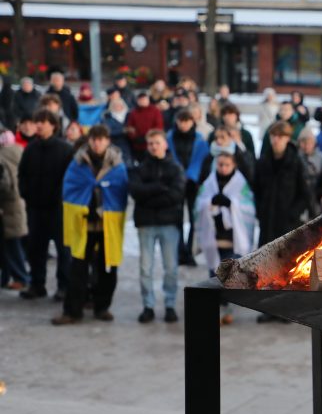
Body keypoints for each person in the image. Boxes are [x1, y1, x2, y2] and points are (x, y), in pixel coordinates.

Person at [52, 125, 128, 324]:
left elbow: (120, 193)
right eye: (94, 139)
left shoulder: (117, 165)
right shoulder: (78, 163)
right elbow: (69, 189)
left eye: (101, 139)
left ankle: (101, 307)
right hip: (83, 225)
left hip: (107, 225)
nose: (97, 143)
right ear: (89, 141)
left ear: (108, 140)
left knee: (107, 268)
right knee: (78, 269)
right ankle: (72, 310)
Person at [128, 129, 186, 323]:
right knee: (146, 267)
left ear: (165, 144)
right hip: (146, 223)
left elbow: (177, 194)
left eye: (157, 142)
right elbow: (136, 191)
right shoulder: (140, 168)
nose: (154, 146)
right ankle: (148, 305)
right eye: (150, 143)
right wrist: (159, 189)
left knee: (171, 267)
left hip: (169, 223)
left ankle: (169, 304)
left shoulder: (175, 168)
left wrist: (149, 194)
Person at [194, 147, 255, 325]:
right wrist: (209, 202)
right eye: (220, 164)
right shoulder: (209, 182)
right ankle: (216, 307)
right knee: (214, 274)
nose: (223, 168)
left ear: (233, 165)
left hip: (233, 239)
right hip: (214, 238)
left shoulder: (241, 184)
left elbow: (248, 208)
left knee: (230, 274)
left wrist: (232, 204)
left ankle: (228, 308)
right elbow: (199, 203)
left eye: (227, 164)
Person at [17, 108, 74, 300]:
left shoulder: (65, 149)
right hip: (35, 208)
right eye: (37, 121)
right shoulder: (31, 148)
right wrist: (26, 194)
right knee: (35, 249)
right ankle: (37, 284)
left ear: (54, 125)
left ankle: (64, 286)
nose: (38, 125)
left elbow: (70, 180)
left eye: (43, 122)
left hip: (58, 209)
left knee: (63, 250)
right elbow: (22, 175)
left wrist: (59, 198)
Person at [254, 121, 309, 261]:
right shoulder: (263, 161)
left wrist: (293, 213)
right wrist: (260, 211)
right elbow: (256, 190)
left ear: (287, 138)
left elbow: (305, 193)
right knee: (264, 262)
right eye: (273, 136)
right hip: (267, 222)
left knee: (286, 262)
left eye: (280, 136)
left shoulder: (296, 162)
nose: (275, 140)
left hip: (288, 223)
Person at [167, 109, 209, 266]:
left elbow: (203, 161)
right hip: (175, 184)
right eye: (181, 121)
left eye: (187, 121)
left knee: (193, 219)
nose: (184, 124)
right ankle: (179, 251)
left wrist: (194, 176)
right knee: (176, 219)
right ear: (177, 121)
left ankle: (189, 252)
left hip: (193, 184)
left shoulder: (199, 140)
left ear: (192, 122)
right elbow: (168, 159)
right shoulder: (170, 138)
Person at [0, 129, 29, 290]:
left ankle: (21, 277)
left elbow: (4, 184)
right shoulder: (19, 150)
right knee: (12, 242)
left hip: (6, 204)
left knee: (10, 244)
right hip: (18, 201)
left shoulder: (2, 155)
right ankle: (10, 277)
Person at [126, 92, 165, 163]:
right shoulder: (133, 113)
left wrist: (148, 137)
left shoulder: (155, 111)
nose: (143, 101)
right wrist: (134, 137)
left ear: (148, 100)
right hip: (138, 144)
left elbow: (159, 126)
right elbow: (130, 127)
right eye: (141, 100)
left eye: (144, 99)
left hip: (152, 144)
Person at [298, 128, 322, 218]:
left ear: (314, 143)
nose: (306, 146)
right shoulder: (296, 157)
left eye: (309, 142)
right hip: (301, 198)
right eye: (303, 142)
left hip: (316, 197)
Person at [102, 97, 131, 163]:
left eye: (120, 105)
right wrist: (122, 131)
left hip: (129, 146)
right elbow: (107, 131)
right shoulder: (107, 118)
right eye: (115, 105)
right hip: (114, 145)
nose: (118, 107)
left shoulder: (129, 116)